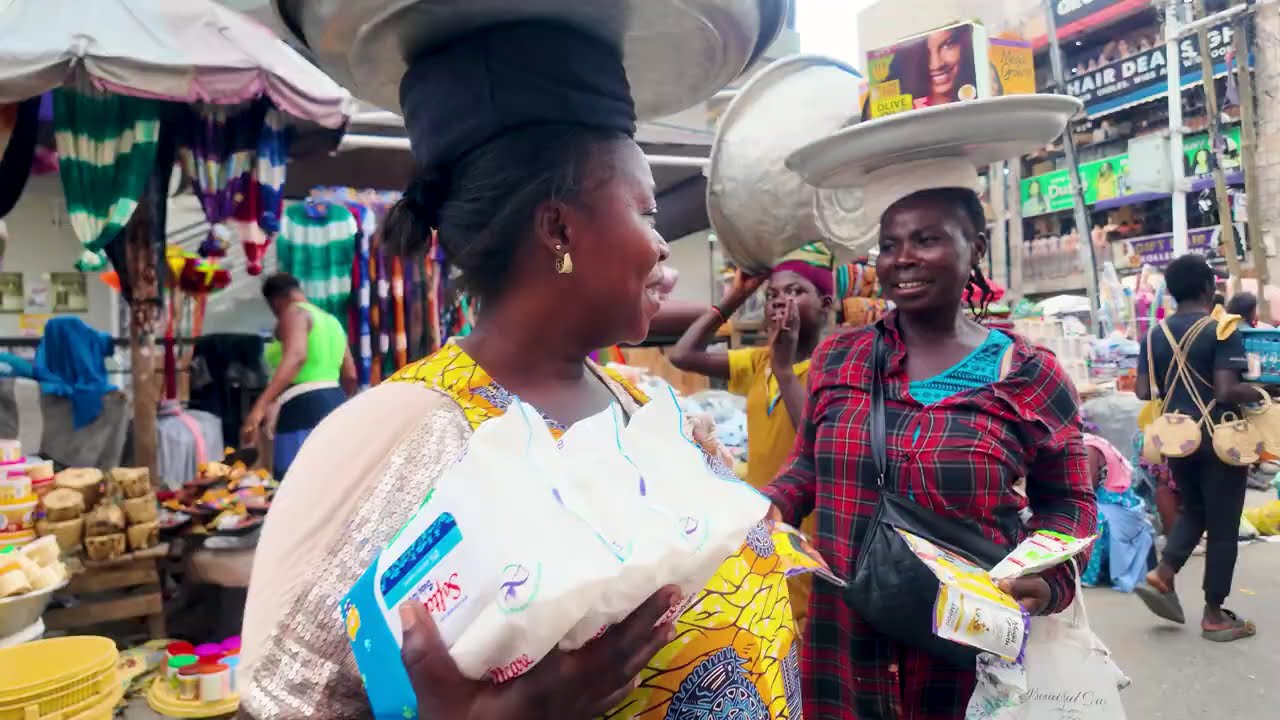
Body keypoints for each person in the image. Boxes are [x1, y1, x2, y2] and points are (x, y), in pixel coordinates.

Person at [239, 22, 805, 719]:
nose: (662, 246)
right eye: (646, 211)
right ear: (559, 230)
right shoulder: (404, 431)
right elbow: (281, 698)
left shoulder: (642, 402)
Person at [767, 179, 1096, 718]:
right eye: (890, 245)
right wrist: (767, 507)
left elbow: (1070, 505)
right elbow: (807, 466)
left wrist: (1049, 578)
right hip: (846, 642)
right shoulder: (840, 358)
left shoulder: (1030, 375)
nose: (903, 259)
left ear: (976, 250)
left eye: (926, 240)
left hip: (964, 649)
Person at [668, 242, 836, 630]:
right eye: (773, 294)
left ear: (826, 303)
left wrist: (785, 369)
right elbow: (683, 354)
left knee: (801, 624)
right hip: (761, 521)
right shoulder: (760, 360)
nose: (780, 302)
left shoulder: (832, 368)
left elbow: (815, 444)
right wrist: (735, 296)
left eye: (796, 292)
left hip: (807, 532)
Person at [1134, 254, 1258, 642]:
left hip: (1177, 439)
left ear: (1171, 292)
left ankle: (1163, 573)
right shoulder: (1222, 329)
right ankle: (1215, 615)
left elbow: (1142, 390)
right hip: (1219, 439)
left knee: (1197, 510)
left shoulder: (1154, 334)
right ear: (1209, 289)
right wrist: (1258, 391)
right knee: (1223, 529)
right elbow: (1226, 389)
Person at [240, 272, 356, 478]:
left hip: (303, 408)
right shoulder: (332, 321)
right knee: (330, 482)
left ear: (276, 301)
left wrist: (258, 409)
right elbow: (350, 375)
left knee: (294, 486)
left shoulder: (294, 313)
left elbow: (296, 356)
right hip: (336, 403)